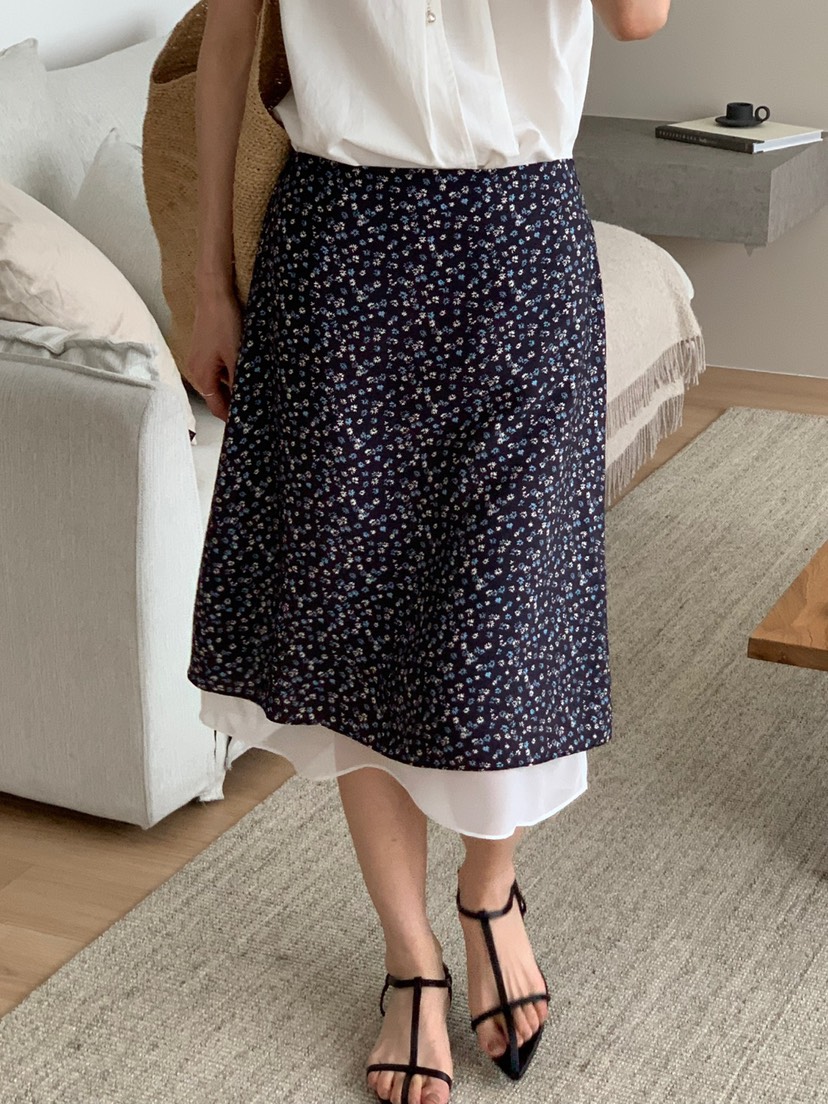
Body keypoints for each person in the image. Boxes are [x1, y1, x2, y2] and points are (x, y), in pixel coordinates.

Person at [185, 2, 670, 1102]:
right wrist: (212, 287)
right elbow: (228, 37)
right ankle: (410, 958)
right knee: (361, 634)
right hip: (340, 250)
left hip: (521, 248)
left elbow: (638, 18)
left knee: (504, 629)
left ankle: (489, 889)